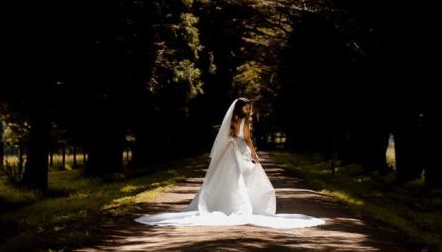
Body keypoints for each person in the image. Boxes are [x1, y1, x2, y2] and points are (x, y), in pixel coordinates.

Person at [135, 97, 325, 229]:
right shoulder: (245, 121)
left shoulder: (234, 120)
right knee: (244, 179)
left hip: (231, 150)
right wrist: (254, 154)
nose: (249, 109)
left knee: (230, 178)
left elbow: (229, 137)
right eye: (247, 107)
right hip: (240, 149)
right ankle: (242, 206)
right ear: (242, 108)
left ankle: (222, 203)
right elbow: (248, 139)